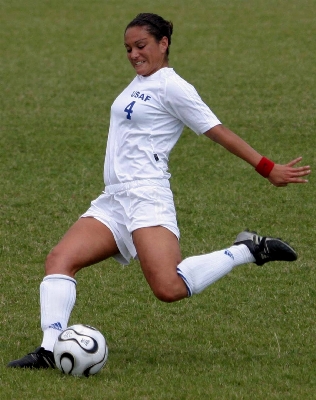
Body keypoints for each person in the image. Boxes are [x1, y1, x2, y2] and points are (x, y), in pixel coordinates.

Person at [8, 13, 311, 369]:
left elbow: (218, 131)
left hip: (147, 197)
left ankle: (247, 249)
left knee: (168, 288)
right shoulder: (140, 82)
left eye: (141, 46)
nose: (134, 54)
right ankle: (48, 350)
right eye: (128, 49)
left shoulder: (172, 86)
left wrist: (267, 168)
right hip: (115, 199)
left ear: (163, 44)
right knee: (60, 259)